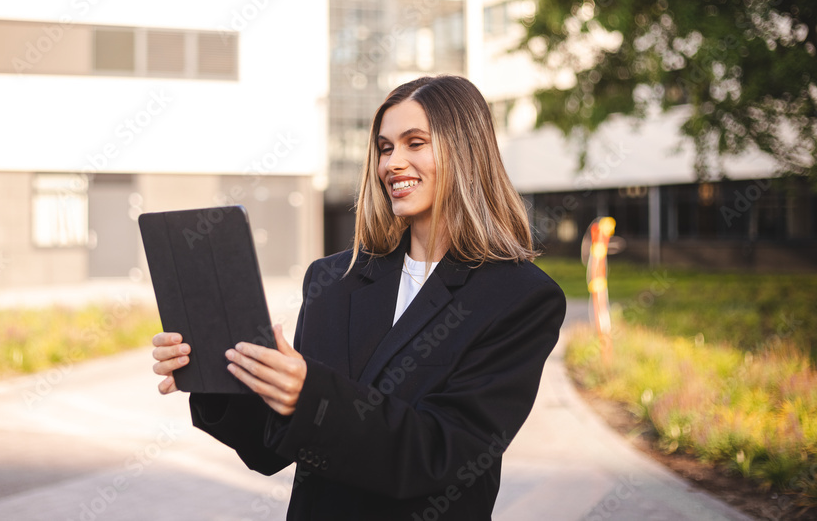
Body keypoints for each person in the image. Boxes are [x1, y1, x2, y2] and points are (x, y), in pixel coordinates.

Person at [152, 74, 567, 520]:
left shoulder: (520, 297)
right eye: (385, 148)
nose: (392, 163)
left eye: (414, 143)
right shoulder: (334, 279)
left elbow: (444, 452)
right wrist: (217, 379)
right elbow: (269, 449)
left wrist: (310, 395)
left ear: (465, 151)